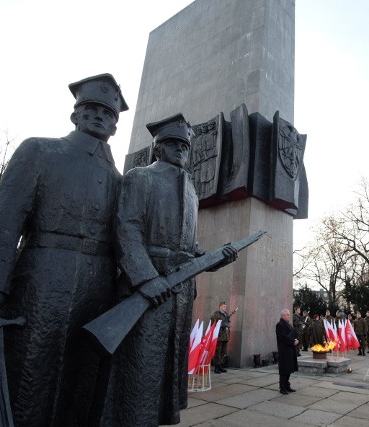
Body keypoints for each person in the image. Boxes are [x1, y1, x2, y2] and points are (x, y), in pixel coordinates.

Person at [0, 74, 128, 426]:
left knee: (79, 379)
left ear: (115, 126)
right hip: (39, 277)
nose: (99, 116)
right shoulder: (40, 149)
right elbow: (3, 218)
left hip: (98, 285)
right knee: (26, 373)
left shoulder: (118, 180)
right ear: (75, 116)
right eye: (91, 109)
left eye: (107, 113)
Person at [100, 113, 238, 426]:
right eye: (171, 144)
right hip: (149, 288)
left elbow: (192, 249)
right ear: (158, 147)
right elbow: (126, 228)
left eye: (184, 146)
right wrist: (145, 278)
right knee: (139, 371)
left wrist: (217, 258)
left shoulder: (191, 191)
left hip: (178, 294)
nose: (179, 150)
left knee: (164, 374)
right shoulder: (139, 177)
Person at [276, 309, 299, 395]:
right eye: (288, 315)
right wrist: (293, 341)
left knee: (289, 369)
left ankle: (287, 385)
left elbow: (293, 333)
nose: (289, 316)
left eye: (289, 314)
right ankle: (282, 387)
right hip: (284, 350)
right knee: (284, 370)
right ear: (283, 315)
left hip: (290, 349)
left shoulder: (288, 324)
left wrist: (296, 339)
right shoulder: (280, 325)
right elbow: (283, 337)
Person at [211, 302, 234, 374]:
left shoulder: (226, 314)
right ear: (220, 306)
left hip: (225, 335)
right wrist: (220, 324)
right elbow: (213, 322)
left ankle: (220, 365)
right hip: (219, 336)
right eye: (223, 306)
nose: (225, 308)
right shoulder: (217, 314)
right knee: (218, 351)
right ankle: (216, 366)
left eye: (225, 306)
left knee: (223, 351)